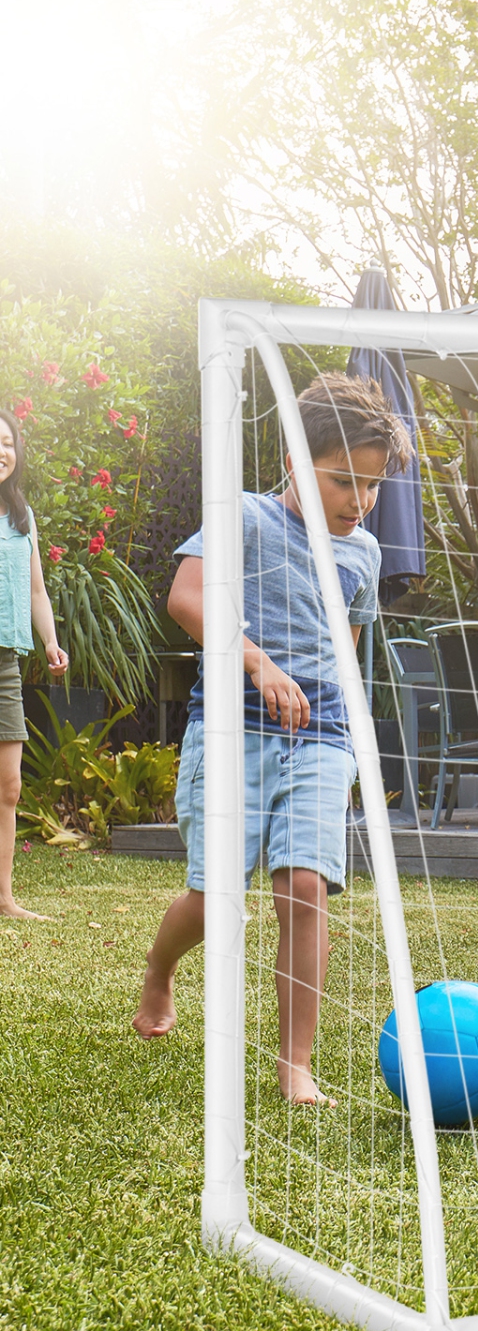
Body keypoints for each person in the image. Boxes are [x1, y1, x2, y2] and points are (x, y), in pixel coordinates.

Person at [132, 373, 411, 1106]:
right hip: (231, 728)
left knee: (305, 887)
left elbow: (346, 652)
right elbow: (185, 597)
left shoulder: (365, 554)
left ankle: (296, 1065)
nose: (360, 500)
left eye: (373, 486)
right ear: (296, 459)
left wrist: (350, 732)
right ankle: (161, 973)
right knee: (216, 898)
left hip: (319, 734)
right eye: (344, 480)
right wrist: (256, 662)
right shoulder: (247, 518)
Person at [0, 407, 68, 919]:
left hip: (7, 663)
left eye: (8, 442)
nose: (3, 451)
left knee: (10, 784)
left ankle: (4, 898)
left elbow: (37, 589)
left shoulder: (22, 517)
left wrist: (49, 641)